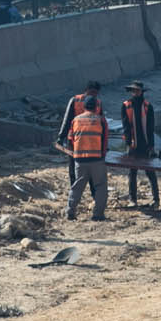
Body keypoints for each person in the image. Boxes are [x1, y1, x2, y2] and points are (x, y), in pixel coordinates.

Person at [63, 86, 110, 221]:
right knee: (100, 186)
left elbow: (70, 139)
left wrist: (75, 154)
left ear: (84, 107)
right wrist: (102, 155)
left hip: (79, 160)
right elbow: (105, 140)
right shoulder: (101, 120)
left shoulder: (76, 120)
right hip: (97, 160)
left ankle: (70, 212)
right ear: (96, 107)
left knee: (77, 186)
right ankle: (98, 214)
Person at [120, 81, 160, 208]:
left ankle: (156, 199)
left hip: (146, 145)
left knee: (150, 172)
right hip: (133, 145)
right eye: (133, 90)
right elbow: (126, 127)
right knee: (132, 172)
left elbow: (150, 128)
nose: (135, 92)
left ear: (142, 92)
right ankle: (133, 199)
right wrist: (128, 144)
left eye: (137, 90)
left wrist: (151, 146)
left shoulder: (148, 107)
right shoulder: (126, 106)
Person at [55, 80, 102, 187]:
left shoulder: (98, 103)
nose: (93, 95)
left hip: (91, 141)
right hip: (74, 140)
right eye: (91, 92)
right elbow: (67, 120)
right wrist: (61, 137)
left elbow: (101, 123)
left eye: (95, 93)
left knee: (91, 168)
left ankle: (93, 192)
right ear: (86, 91)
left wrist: (103, 142)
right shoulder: (75, 100)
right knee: (73, 167)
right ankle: (74, 188)